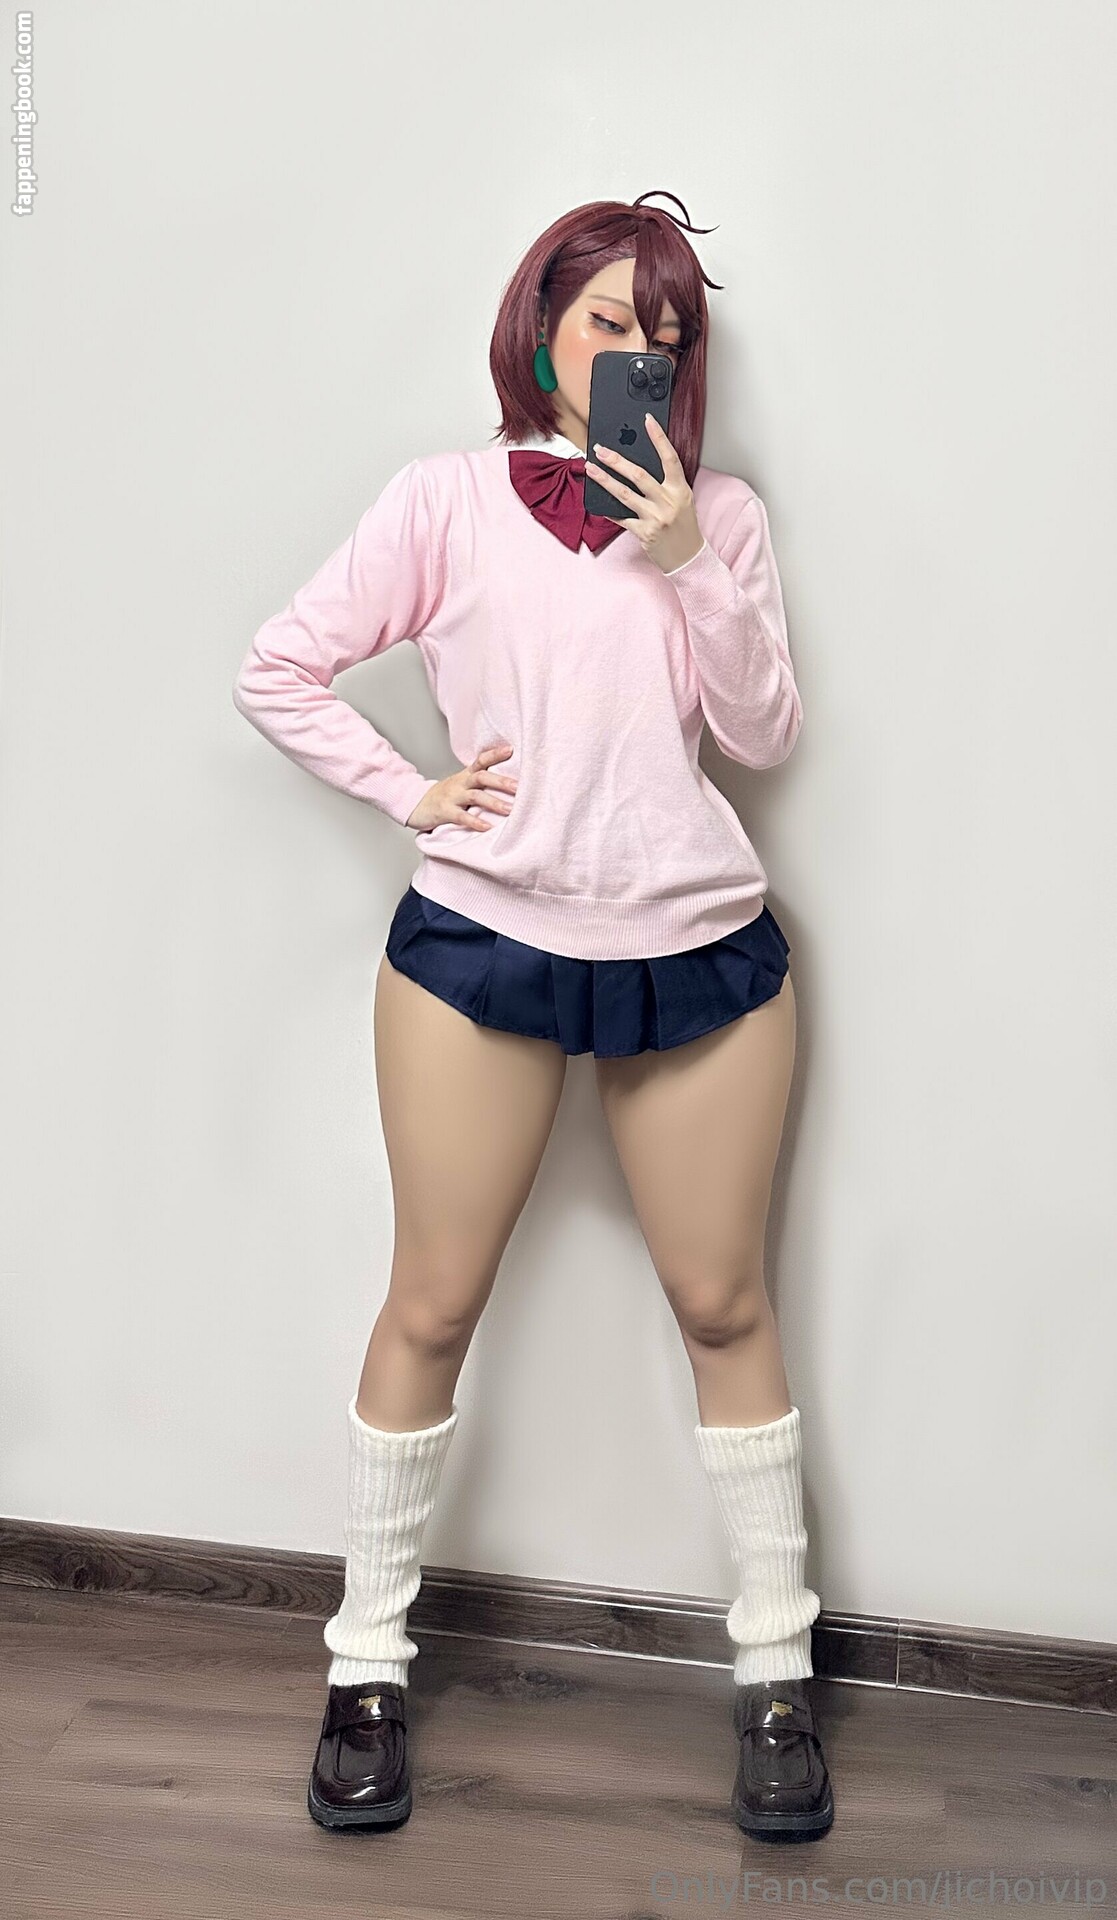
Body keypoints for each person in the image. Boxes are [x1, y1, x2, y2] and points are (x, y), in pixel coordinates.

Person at [232, 189, 834, 1843]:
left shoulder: (722, 517)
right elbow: (279, 666)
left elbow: (763, 737)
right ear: (541, 330)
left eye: (665, 335)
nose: (638, 352)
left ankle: (774, 1677)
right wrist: (412, 790)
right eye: (608, 323)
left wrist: (688, 557)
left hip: (692, 945)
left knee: (722, 1303)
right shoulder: (442, 500)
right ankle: (365, 1671)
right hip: (481, 940)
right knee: (432, 1302)